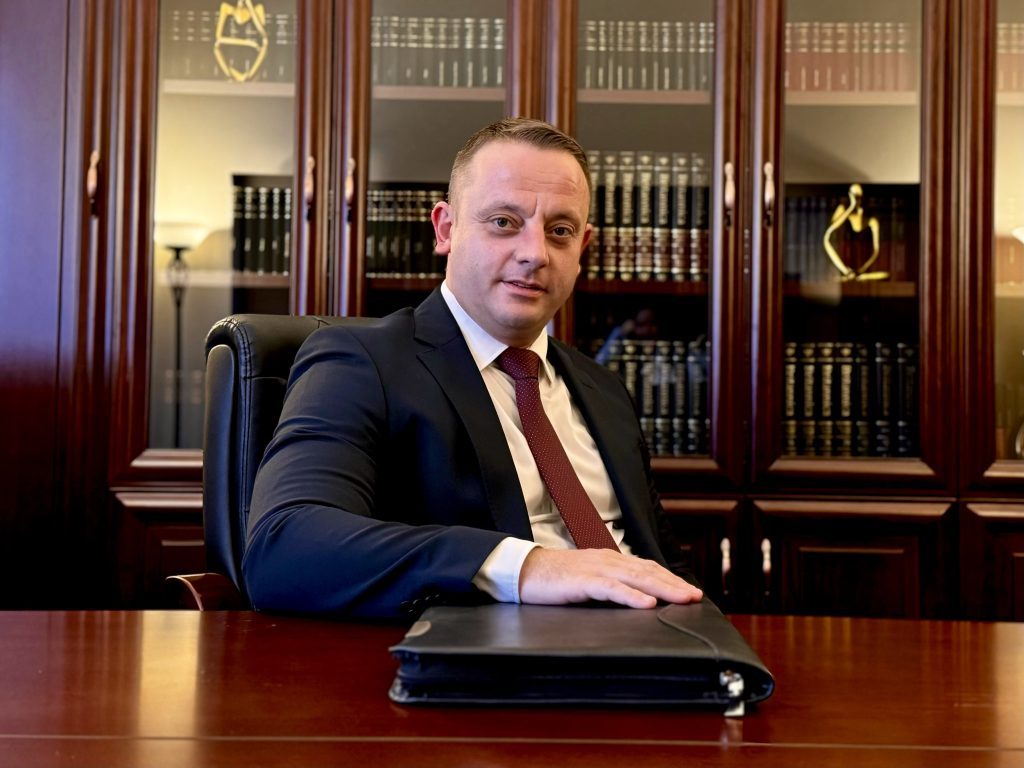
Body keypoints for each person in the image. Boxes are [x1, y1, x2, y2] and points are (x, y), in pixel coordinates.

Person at [244, 118, 703, 618]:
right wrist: (529, 567)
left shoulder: (604, 390)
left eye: (560, 231)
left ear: (582, 250)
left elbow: (664, 564)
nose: (535, 254)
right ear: (446, 229)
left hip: (651, 644)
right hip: (495, 653)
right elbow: (283, 546)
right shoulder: (361, 362)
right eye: (504, 222)